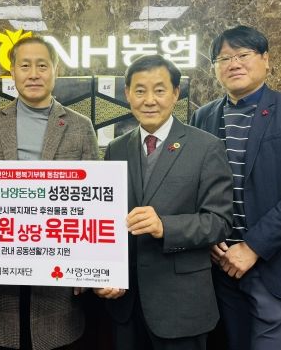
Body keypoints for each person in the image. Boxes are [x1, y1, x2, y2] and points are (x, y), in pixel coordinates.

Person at [190, 25, 281, 350]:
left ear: (266, 60)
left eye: (243, 54)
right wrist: (208, 236)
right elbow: (194, 186)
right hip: (219, 266)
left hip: (274, 263)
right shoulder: (203, 117)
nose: (234, 63)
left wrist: (252, 247)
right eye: (224, 58)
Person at [0, 36, 99, 350]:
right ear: (12, 71)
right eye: (25, 66)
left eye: (42, 65)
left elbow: (94, 203)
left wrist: (90, 268)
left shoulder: (80, 127)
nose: (34, 74)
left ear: (56, 70)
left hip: (58, 283)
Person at [94, 54, 234, 350]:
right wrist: (103, 273)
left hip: (181, 305)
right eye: (140, 90)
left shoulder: (206, 147)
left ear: (175, 93)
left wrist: (165, 227)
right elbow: (105, 220)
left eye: (159, 90)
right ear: (127, 94)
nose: (149, 100)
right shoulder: (116, 149)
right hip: (126, 302)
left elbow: (219, 222)